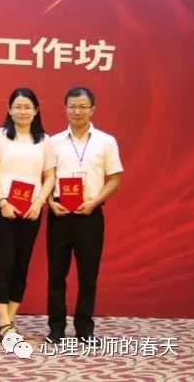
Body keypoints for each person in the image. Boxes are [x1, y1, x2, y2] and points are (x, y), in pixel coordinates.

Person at [46, 87, 123, 344]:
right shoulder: (53, 142)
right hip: (59, 213)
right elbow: (47, 178)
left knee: (88, 274)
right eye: (72, 106)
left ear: (92, 110)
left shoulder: (106, 141)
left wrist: (95, 202)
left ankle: (84, 327)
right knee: (56, 273)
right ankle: (56, 327)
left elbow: (115, 179)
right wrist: (49, 202)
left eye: (82, 107)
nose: (77, 111)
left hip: (90, 212)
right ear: (65, 108)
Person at [0, 87, 55, 342]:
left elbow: (50, 176)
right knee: (4, 263)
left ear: (36, 111)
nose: (22, 111)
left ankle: (10, 320)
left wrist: (39, 202)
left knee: (21, 264)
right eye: (18, 107)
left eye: (27, 107)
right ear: (9, 109)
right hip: (4, 207)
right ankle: (4, 322)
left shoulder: (44, 140)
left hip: (32, 210)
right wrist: (3, 201)